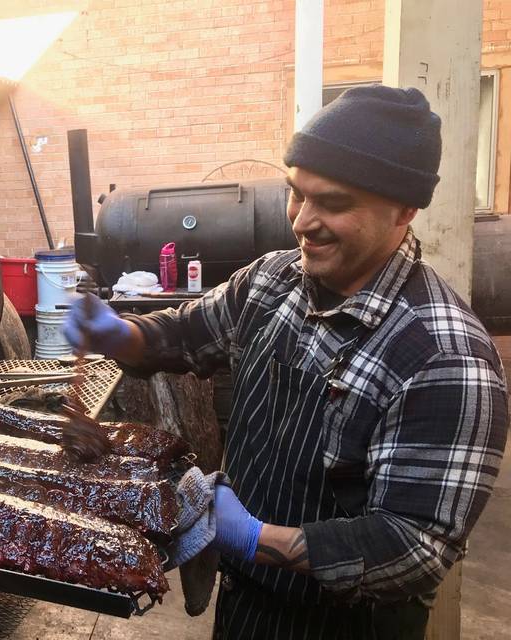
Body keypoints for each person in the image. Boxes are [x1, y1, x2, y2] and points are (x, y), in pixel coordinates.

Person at [63, 85, 508, 639]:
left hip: (343, 626)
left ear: (404, 208)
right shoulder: (273, 280)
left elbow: (414, 546)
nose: (302, 221)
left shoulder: (445, 357)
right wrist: (117, 332)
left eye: (334, 203)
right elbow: (182, 334)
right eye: (297, 193)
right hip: (248, 604)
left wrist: (255, 538)